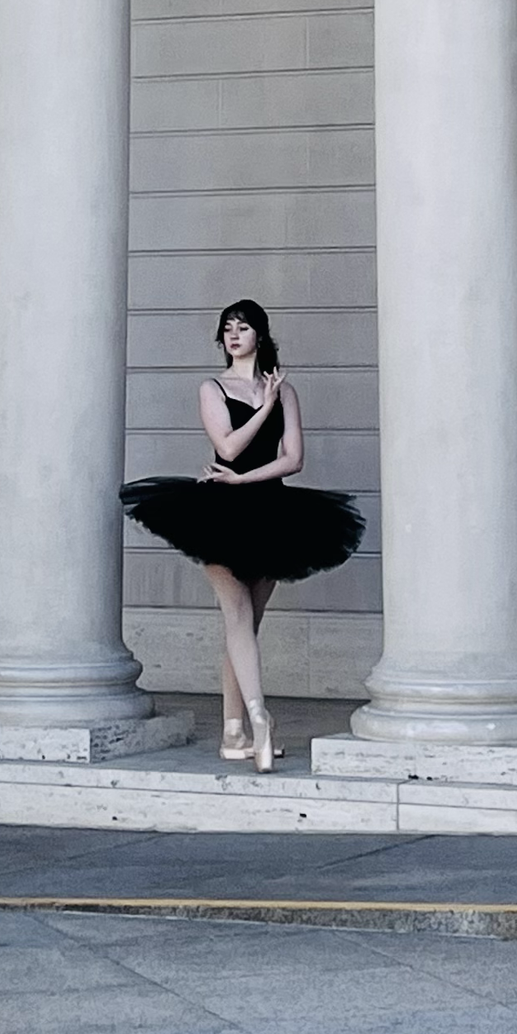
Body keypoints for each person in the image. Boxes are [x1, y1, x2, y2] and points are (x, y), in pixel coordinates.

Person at [120, 299, 363, 771]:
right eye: (227, 329)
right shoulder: (212, 387)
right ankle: (259, 718)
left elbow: (293, 459)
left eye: (243, 327)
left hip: (271, 506)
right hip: (217, 510)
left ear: (260, 335)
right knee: (236, 615)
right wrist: (263, 410)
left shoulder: (284, 389)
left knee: (245, 626)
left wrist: (246, 476)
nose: (234, 335)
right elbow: (228, 446)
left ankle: (233, 732)